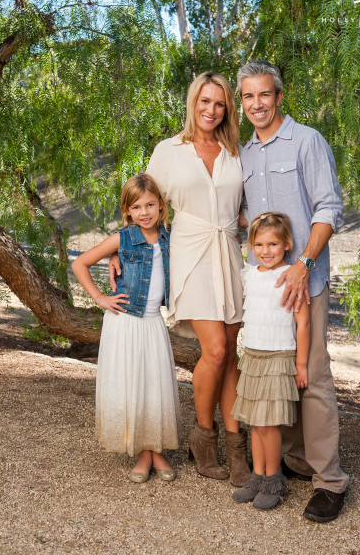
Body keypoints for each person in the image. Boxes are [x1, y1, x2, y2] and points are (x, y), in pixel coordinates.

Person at [110, 72, 251, 487]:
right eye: (204, 101)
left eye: (220, 103)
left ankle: (236, 445)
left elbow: (241, 206)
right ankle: (202, 439)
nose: (211, 110)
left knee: (231, 355)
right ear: (193, 103)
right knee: (215, 348)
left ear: (227, 109)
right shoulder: (169, 151)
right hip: (190, 256)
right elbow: (142, 203)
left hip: (229, 253)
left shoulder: (235, 150)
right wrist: (123, 249)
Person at [238, 60, 349, 522]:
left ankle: (329, 480)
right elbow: (246, 216)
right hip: (265, 288)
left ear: (279, 97)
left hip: (305, 281)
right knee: (276, 373)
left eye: (264, 95)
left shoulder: (307, 141)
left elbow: (330, 207)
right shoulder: (244, 154)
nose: (256, 104)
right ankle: (292, 461)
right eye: (248, 97)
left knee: (313, 377)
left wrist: (303, 263)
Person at [72, 173, 181, 483]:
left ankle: (153, 450)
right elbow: (79, 264)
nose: (144, 212)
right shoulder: (123, 238)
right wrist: (100, 298)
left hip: (152, 322)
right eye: (136, 207)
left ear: (161, 206)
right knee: (132, 382)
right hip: (125, 321)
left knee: (153, 384)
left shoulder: (170, 236)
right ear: (128, 211)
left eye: (150, 205)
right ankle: (143, 453)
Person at [231, 212, 310, 511]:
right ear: (251, 245)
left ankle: (274, 479)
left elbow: (303, 324)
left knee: (268, 424)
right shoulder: (248, 274)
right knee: (254, 422)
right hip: (252, 356)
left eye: (273, 244)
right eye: (259, 244)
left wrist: (300, 365)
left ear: (287, 244)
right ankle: (258, 475)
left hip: (278, 357)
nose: (266, 251)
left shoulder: (292, 275)